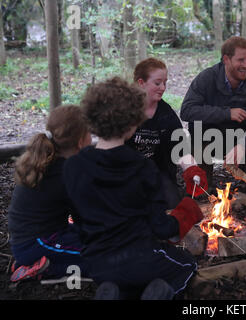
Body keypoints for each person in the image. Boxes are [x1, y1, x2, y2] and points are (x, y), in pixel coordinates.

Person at [64, 77, 202, 300]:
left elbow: (77, 221)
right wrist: (185, 213)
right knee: (186, 265)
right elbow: (161, 229)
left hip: (95, 262)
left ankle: (116, 292)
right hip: (141, 258)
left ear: (91, 119)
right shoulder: (143, 168)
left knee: (122, 279)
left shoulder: (73, 166)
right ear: (133, 123)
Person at [8, 105, 92, 282]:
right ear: (81, 141)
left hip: (39, 237)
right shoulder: (65, 173)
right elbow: (84, 217)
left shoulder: (50, 159)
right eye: (90, 133)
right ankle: (43, 269)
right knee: (101, 258)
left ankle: (34, 262)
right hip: (37, 244)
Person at [180, 36, 246, 190]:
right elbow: (187, 111)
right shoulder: (206, 78)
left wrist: (244, 145)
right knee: (198, 144)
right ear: (226, 60)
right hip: (207, 138)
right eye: (240, 60)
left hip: (239, 139)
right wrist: (226, 113)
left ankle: (243, 185)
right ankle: (204, 185)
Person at [128, 57, 207, 208]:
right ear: (141, 83)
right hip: (127, 173)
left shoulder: (166, 114)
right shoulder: (124, 110)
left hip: (159, 175)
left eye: (165, 82)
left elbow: (181, 149)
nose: (163, 87)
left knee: (171, 206)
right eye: (157, 83)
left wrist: (192, 169)